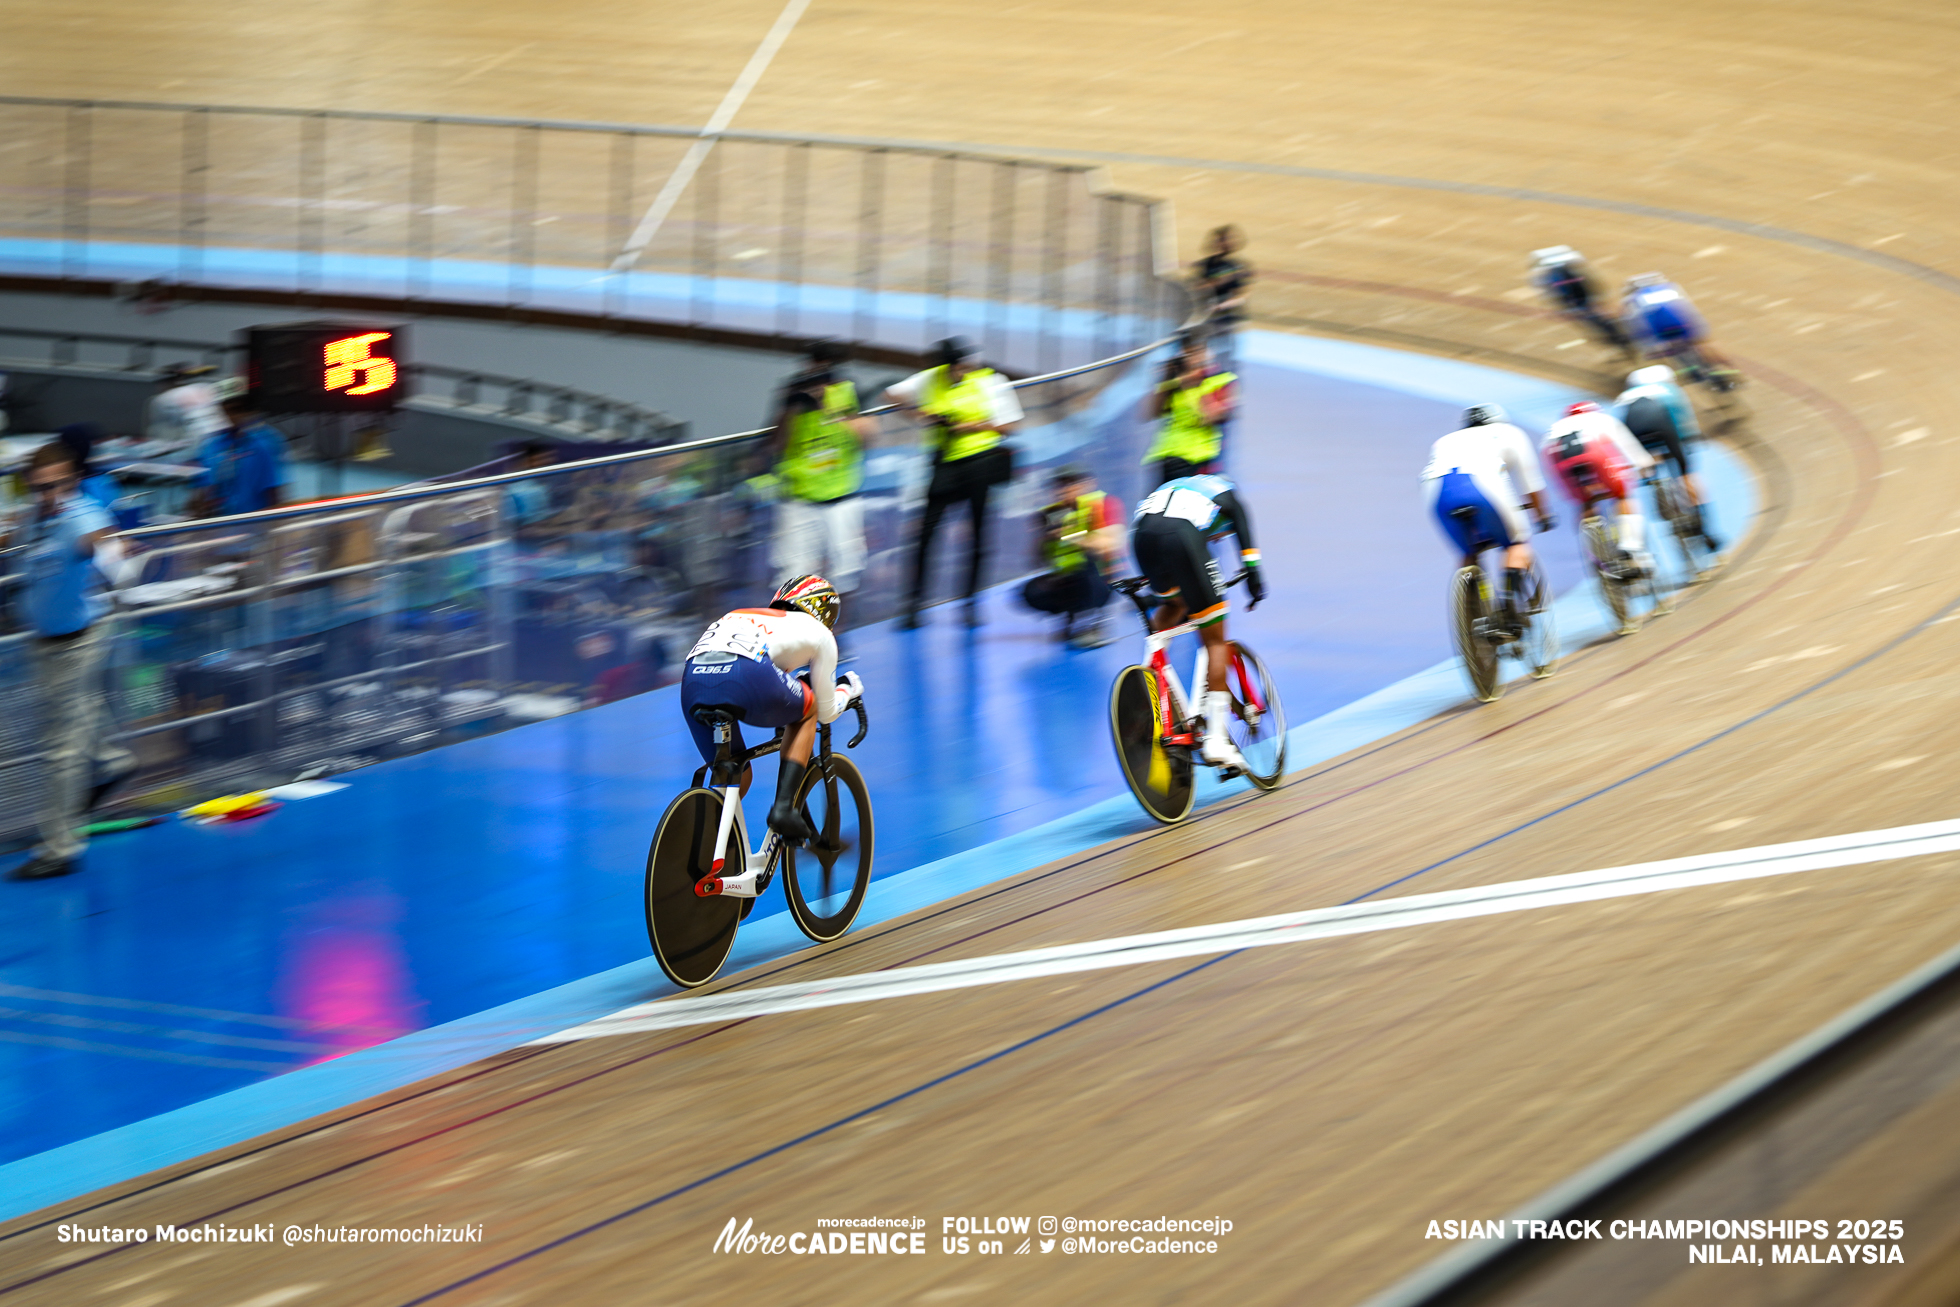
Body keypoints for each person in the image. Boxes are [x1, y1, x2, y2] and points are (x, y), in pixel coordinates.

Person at [4, 443, 136, 880]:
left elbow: (100, 540)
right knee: (75, 722)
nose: (49, 495)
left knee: (61, 747)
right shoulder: (33, 519)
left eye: (58, 485)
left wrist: (117, 561)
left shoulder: (80, 515)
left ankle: (59, 848)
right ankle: (112, 762)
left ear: (73, 482)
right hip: (45, 641)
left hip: (77, 642)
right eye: (40, 487)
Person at [680, 575, 863, 841]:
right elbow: (826, 711)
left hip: (693, 681)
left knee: (734, 776)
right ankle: (783, 809)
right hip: (745, 673)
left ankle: (704, 851)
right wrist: (848, 689)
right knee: (808, 710)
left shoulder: (741, 615)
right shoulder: (821, 634)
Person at [1129, 472, 1264, 772]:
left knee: (1175, 602)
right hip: (1181, 537)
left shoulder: (1179, 487)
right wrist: (1253, 573)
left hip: (1141, 537)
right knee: (1215, 638)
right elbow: (1240, 520)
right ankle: (1217, 739)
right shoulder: (1227, 491)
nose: (1218, 538)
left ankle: (1150, 675)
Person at [886, 337, 1023, 629]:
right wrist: (922, 415)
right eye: (951, 367)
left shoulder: (990, 381)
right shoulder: (932, 378)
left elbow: (1010, 425)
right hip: (945, 464)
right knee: (924, 536)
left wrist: (972, 425)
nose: (956, 372)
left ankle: (970, 605)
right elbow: (892, 394)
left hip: (980, 463)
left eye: (960, 366)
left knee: (977, 537)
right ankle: (913, 605)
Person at [1421, 404, 1558, 639]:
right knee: (1516, 544)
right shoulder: (1509, 432)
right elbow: (1531, 483)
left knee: (1470, 553)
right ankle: (1506, 607)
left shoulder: (1444, 441)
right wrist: (1541, 515)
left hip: (1436, 493)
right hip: (1482, 486)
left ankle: (1474, 614)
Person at [760, 340, 874, 601]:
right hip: (798, 500)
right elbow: (777, 443)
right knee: (792, 577)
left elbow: (868, 436)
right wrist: (791, 406)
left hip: (842, 498)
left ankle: (834, 635)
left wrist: (836, 408)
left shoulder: (848, 391)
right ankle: (794, 637)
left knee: (846, 571)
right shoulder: (794, 394)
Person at [1614, 365, 1723, 559]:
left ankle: (1655, 488)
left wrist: (1640, 464)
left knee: (1649, 462)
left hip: (1635, 430)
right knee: (1686, 473)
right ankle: (1705, 528)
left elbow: (1622, 432)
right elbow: (1684, 422)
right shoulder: (1671, 391)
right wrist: (1690, 441)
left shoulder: (1624, 398)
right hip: (1664, 425)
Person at [1541, 400, 1657, 579]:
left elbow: (1547, 464)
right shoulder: (1602, 418)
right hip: (1595, 452)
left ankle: (1596, 554)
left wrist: (1567, 491)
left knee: (1584, 502)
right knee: (1622, 495)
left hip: (1559, 460)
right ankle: (1630, 546)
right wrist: (1644, 465)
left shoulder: (1553, 429)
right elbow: (1629, 447)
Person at [1020, 464, 1124, 648]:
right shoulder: (1051, 512)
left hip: (1102, 577)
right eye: (1060, 485)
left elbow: (1109, 544)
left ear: (1086, 484)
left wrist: (1068, 534)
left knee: (1089, 564)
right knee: (1032, 591)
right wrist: (1042, 537)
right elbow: (1036, 561)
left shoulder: (1102, 504)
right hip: (1067, 577)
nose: (1065, 490)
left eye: (1070, 484)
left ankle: (1090, 622)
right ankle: (1072, 614)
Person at [1144, 332, 1237, 486]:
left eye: (1197, 354)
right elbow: (1152, 412)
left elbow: (1212, 417)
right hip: (1168, 455)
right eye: (1188, 354)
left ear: (1207, 354)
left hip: (1200, 457)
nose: (1193, 360)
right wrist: (1166, 379)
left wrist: (1193, 384)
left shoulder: (1220, 379)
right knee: (1155, 505)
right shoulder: (1175, 381)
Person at [191, 381, 286, 517]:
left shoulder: (265, 443)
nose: (233, 416)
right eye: (227, 410)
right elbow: (202, 493)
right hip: (220, 527)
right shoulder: (212, 446)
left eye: (238, 409)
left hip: (255, 525)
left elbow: (275, 493)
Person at [1620, 272, 1738, 379]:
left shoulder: (1631, 299)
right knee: (1704, 342)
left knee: (1654, 355)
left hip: (1659, 331)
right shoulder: (1670, 287)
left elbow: (1632, 323)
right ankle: (1731, 367)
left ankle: (1670, 378)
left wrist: (1647, 348)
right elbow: (1688, 308)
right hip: (1685, 324)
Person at [1530, 246, 1633, 355]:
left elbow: (1554, 294)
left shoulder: (1552, 275)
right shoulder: (1565, 271)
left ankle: (1620, 340)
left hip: (1579, 302)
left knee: (1597, 323)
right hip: (1580, 301)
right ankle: (1620, 339)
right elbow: (1586, 283)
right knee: (1599, 322)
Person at [1192, 225, 1252, 371]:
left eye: (1226, 240)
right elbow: (1196, 288)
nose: (1223, 243)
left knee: (1224, 357)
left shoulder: (1238, 266)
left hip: (1225, 320)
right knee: (1202, 357)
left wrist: (1221, 305)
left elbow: (1242, 294)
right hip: (1206, 319)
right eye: (1220, 240)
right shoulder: (1205, 264)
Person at [145, 361, 226, 452]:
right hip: (225, 439)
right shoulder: (207, 387)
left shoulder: (162, 399)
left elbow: (163, 436)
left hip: (201, 445)